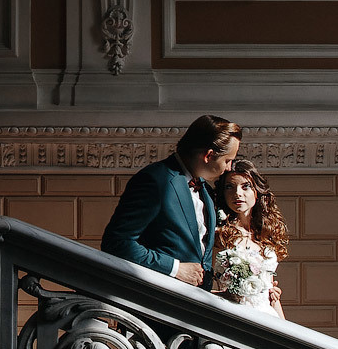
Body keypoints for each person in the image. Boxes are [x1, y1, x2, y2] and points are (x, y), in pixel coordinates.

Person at [101, 116, 242, 286]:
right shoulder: (155, 180)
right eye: (227, 160)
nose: (229, 167)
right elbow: (117, 243)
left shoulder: (205, 189)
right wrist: (175, 269)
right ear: (209, 155)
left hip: (197, 304)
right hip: (160, 299)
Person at [211, 158, 287, 318]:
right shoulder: (218, 234)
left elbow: (271, 296)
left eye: (245, 186)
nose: (237, 193)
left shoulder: (266, 234)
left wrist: (286, 330)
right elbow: (201, 287)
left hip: (267, 315)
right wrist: (225, 295)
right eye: (229, 187)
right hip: (233, 315)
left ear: (257, 192)